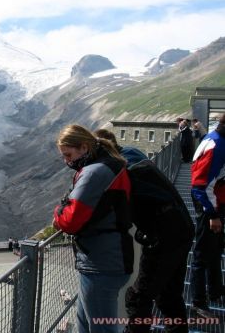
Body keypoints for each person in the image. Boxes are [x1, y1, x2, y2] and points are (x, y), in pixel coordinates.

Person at [96, 129, 194, 332]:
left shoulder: (118, 168)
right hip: (180, 224)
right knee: (169, 294)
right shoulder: (133, 152)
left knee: (138, 297)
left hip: (163, 233)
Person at [53, 124, 133, 333]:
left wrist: (57, 212)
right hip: (108, 258)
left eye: (68, 155)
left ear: (84, 147)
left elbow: (70, 221)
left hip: (101, 262)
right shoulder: (110, 164)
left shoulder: (94, 173)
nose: (67, 161)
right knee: (86, 323)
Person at [190, 113, 225, 318]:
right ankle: (198, 303)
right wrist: (212, 214)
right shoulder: (218, 146)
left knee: (215, 248)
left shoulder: (213, 138)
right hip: (208, 205)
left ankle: (215, 290)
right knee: (202, 254)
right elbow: (199, 186)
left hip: (213, 202)